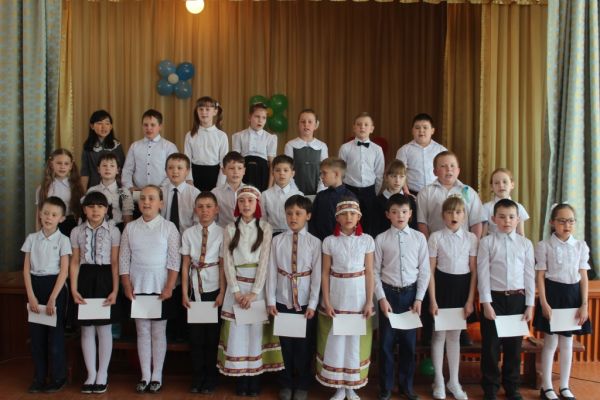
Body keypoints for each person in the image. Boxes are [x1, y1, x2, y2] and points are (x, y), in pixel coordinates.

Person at [217, 186, 283, 396]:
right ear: (237, 204)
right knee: (237, 333)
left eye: (250, 201)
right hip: (236, 288)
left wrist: (254, 292)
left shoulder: (265, 227)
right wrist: (236, 291)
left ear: (257, 204)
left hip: (257, 288)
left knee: (255, 333)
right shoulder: (229, 228)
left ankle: (254, 379)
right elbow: (228, 262)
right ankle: (240, 379)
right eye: (242, 201)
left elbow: (265, 262)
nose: (246, 205)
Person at [119, 185, 181, 393]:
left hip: (160, 288)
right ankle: (145, 375)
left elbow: (174, 260)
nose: (146, 202)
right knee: (142, 331)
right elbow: (124, 259)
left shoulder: (169, 228)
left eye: (152, 198)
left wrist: (169, 287)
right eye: (143, 198)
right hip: (138, 288)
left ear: (161, 203)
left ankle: (157, 375)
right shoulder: (130, 228)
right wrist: (126, 285)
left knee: (158, 332)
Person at [316, 198, 374, 400]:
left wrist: (369, 301)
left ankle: (351, 386)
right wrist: (327, 301)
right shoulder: (329, 241)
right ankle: (339, 386)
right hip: (337, 295)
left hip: (358, 296)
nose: (349, 217)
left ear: (359, 217)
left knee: (354, 340)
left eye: (353, 213)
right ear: (337, 218)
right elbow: (325, 273)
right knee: (337, 339)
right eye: (344, 214)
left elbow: (369, 272)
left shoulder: (367, 240)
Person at [477, 199, 535, 400]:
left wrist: (530, 305)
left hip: (518, 300)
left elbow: (529, 275)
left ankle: (512, 386)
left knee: (514, 346)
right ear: (494, 219)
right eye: (501, 217)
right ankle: (490, 387)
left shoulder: (525, 244)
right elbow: (483, 274)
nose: (507, 221)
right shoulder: (486, 243)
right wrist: (486, 303)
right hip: (494, 300)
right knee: (491, 346)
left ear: (518, 219)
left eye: (511, 217)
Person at [374, 194, 430, 400]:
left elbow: (424, 270)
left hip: (410, 297)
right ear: (387, 214)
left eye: (404, 211)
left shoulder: (419, 238)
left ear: (411, 214)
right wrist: (381, 298)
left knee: (408, 345)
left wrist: (419, 298)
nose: (400, 215)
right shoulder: (381, 239)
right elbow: (374, 272)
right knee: (386, 345)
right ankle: (386, 387)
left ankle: (407, 386)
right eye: (395, 212)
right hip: (388, 295)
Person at [533, 203, 591, 400]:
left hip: (573, 296)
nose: (567, 225)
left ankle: (564, 386)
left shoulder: (580, 246)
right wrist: (544, 302)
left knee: (567, 342)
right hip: (553, 295)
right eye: (562, 221)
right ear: (552, 222)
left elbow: (583, 277)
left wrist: (584, 304)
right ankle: (547, 386)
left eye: (571, 221)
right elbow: (540, 276)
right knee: (550, 342)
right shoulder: (544, 246)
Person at [266, 195, 322, 400]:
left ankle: (303, 383)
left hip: (305, 302)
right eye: (289, 213)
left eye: (298, 213)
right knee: (285, 345)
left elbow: (317, 277)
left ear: (308, 216)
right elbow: (271, 271)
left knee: (304, 346)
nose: (293, 217)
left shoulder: (315, 243)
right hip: (282, 300)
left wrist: (313, 304)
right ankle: (286, 382)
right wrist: (271, 300)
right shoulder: (277, 241)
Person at [69, 192, 120, 394]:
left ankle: (102, 374)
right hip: (84, 278)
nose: (95, 210)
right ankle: (90, 374)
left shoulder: (113, 231)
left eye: (100, 206)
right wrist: (73, 288)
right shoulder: (76, 231)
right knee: (86, 329)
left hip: (105, 279)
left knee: (104, 328)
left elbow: (115, 262)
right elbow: (75, 261)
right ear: (84, 209)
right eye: (91, 206)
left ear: (106, 209)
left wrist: (115, 289)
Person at [427, 196, 477, 400]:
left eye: (458, 212)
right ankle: (438, 380)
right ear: (443, 216)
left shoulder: (471, 238)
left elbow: (473, 271)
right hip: (441, 288)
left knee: (455, 336)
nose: (453, 216)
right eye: (449, 212)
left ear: (464, 216)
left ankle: (454, 381)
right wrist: (432, 300)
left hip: (462, 289)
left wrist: (470, 300)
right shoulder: (436, 237)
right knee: (439, 335)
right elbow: (430, 271)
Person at [22, 196, 72, 393]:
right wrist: (31, 296)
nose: (49, 217)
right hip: (35, 287)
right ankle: (39, 378)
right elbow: (26, 270)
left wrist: (52, 298)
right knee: (37, 338)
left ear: (61, 218)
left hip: (55, 288)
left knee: (55, 337)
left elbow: (64, 271)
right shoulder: (32, 238)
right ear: (40, 215)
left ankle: (58, 377)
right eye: (46, 213)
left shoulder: (63, 240)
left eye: (54, 214)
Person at [181, 192, 226, 394]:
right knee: (196, 338)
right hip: (194, 291)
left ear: (216, 210)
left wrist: (222, 292)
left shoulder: (223, 233)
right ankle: (197, 376)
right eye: (200, 206)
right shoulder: (188, 233)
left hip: (213, 290)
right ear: (195, 210)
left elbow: (223, 265)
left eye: (209, 206)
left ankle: (211, 378)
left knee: (212, 338)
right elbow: (185, 265)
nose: (204, 210)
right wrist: (184, 292)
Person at [121, 109, 191, 192]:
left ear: (160, 126)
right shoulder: (135, 146)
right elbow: (127, 170)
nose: (149, 128)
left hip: (163, 191)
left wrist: (161, 188)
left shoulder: (169, 147)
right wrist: (129, 187)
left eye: (152, 125)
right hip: (138, 192)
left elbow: (174, 171)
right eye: (145, 125)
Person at [338, 112, 384, 236]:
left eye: (366, 124)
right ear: (354, 127)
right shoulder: (345, 148)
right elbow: (340, 173)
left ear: (372, 128)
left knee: (369, 223)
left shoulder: (377, 149)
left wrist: (374, 192)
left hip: (370, 191)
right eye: (359, 124)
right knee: (349, 222)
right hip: (350, 190)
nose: (362, 127)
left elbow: (379, 174)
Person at [36, 148, 85, 237]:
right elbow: (39, 213)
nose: (62, 166)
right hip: (50, 226)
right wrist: (38, 235)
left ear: (71, 166)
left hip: (72, 227)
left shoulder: (77, 187)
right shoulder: (43, 188)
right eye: (59, 163)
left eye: (66, 164)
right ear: (52, 164)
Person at [395, 113, 447, 196]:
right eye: (417, 128)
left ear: (432, 130)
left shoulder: (441, 150)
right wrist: (406, 192)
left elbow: (446, 172)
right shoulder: (404, 150)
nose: (421, 131)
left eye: (425, 127)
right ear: (412, 131)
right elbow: (399, 173)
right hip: (411, 193)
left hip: (436, 193)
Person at [184, 96, 228, 191]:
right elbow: (187, 159)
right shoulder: (190, 135)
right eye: (201, 109)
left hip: (214, 175)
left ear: (215, 112)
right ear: (197, 111)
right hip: (195, 175)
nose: (204, 112)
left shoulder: (221, 136)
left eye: (207, 109)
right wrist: (189, 179)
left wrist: (220, 184)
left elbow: (223, 162)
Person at [308, 157, 356, 241]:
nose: (321, 177)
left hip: (342, 242)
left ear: (336, 174)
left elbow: (353, 224)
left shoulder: (350, 197)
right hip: (320, 242)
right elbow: (312, 222)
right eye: (321, 173)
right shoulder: (320, 196)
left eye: (324, 173)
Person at [232, 103, 277, 191]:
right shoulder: (239, 136)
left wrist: (269, 187)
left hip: (262, 173)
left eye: (264, 118)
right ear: (249, 117)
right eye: (257, 117)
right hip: (245, 173)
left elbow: (272, 164)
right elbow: (235, 161)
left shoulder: (270, 138)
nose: (260, 120)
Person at [284, 109, 329, 195]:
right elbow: (288, 171)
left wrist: (320, 192)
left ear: (316, 125)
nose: (306, 124)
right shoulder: (290, 145)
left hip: (317, 192)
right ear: (298, 124)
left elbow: (325, 171)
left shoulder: (322, 146)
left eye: (310, 122)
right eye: (303, 122)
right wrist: (294, 191)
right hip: (295, 192)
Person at [86, 153, 134, 232]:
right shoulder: (92, 191)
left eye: (112, 166)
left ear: (117, 170)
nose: (108, 168)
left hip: (118, 229)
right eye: (104, 165)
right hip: (95, 229)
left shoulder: (123, 192)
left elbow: (127, 218)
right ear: (98, 169)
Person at [80, 110, 126, 189]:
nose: (104, 127)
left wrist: (122, 189)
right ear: (92, 126)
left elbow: (123, 169)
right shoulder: (88, 146)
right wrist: (83, 193)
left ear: (111, 126)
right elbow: (85, 172)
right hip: (95, 187)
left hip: (115, 187)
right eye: (99, 123)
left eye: (107, 123)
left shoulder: (116, 145)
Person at [372, 160, 417, 236]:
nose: (397, 180)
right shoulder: (377, 201)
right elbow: (375, 228)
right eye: (393, 176)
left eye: (401, 177)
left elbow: (414, 225)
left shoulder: (410, 200)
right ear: (386, 177)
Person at [262, 155, 303, 235]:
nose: (281, 173)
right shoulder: (265, 195)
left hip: (292, 233)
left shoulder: (298, 195)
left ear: (292, 173)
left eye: (285, 170)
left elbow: (302, 219)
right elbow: (263, 219)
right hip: (271, 234)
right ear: (272, 173)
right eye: (277, 170)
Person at [161, 153, 201, 234]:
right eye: (170, 168)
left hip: (188, 236)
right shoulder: (160, 192)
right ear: (166, 171)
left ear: (187, 171)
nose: (175, 171)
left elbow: (198, 221)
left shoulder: (195, 194)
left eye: (179, 168)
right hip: (164, 236)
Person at [482, 168, 529, 236]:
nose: (501, 185)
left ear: (512, 185)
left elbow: (520, 233)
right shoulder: (486, 208)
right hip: (492, 242)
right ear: (492, 187)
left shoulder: (519, 207)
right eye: (496, 183)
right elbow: (483, 234)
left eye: (504, 182)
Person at [211, 151, 246, 228]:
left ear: (244, 171)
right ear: (223, 171)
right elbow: (212, 219)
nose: (236, 172)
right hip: (223, 232)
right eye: (231, 168)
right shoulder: (215, 193)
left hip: (245, 232)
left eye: (239, 168)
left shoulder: (251, 192)